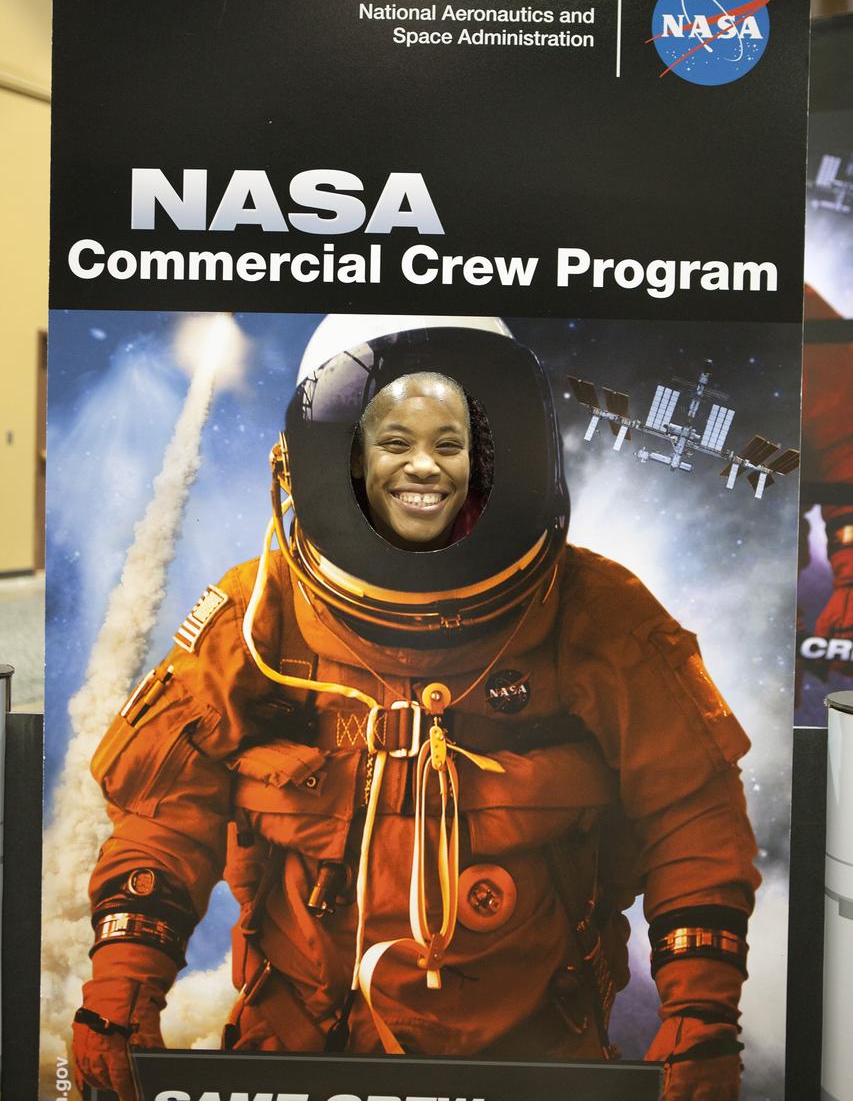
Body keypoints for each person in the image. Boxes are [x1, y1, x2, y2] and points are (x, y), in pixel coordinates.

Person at [73, 316, 759, 1101]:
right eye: (393, 442)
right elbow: (165, 815)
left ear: (491, 456)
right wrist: (122, 991)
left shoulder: (596, 613)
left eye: (450, 441)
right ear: (342, 457)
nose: (422, 467)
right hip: (299, 1057)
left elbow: (693, 819)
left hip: (535, 1062)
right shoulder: (257, 617)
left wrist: (700, 1019)